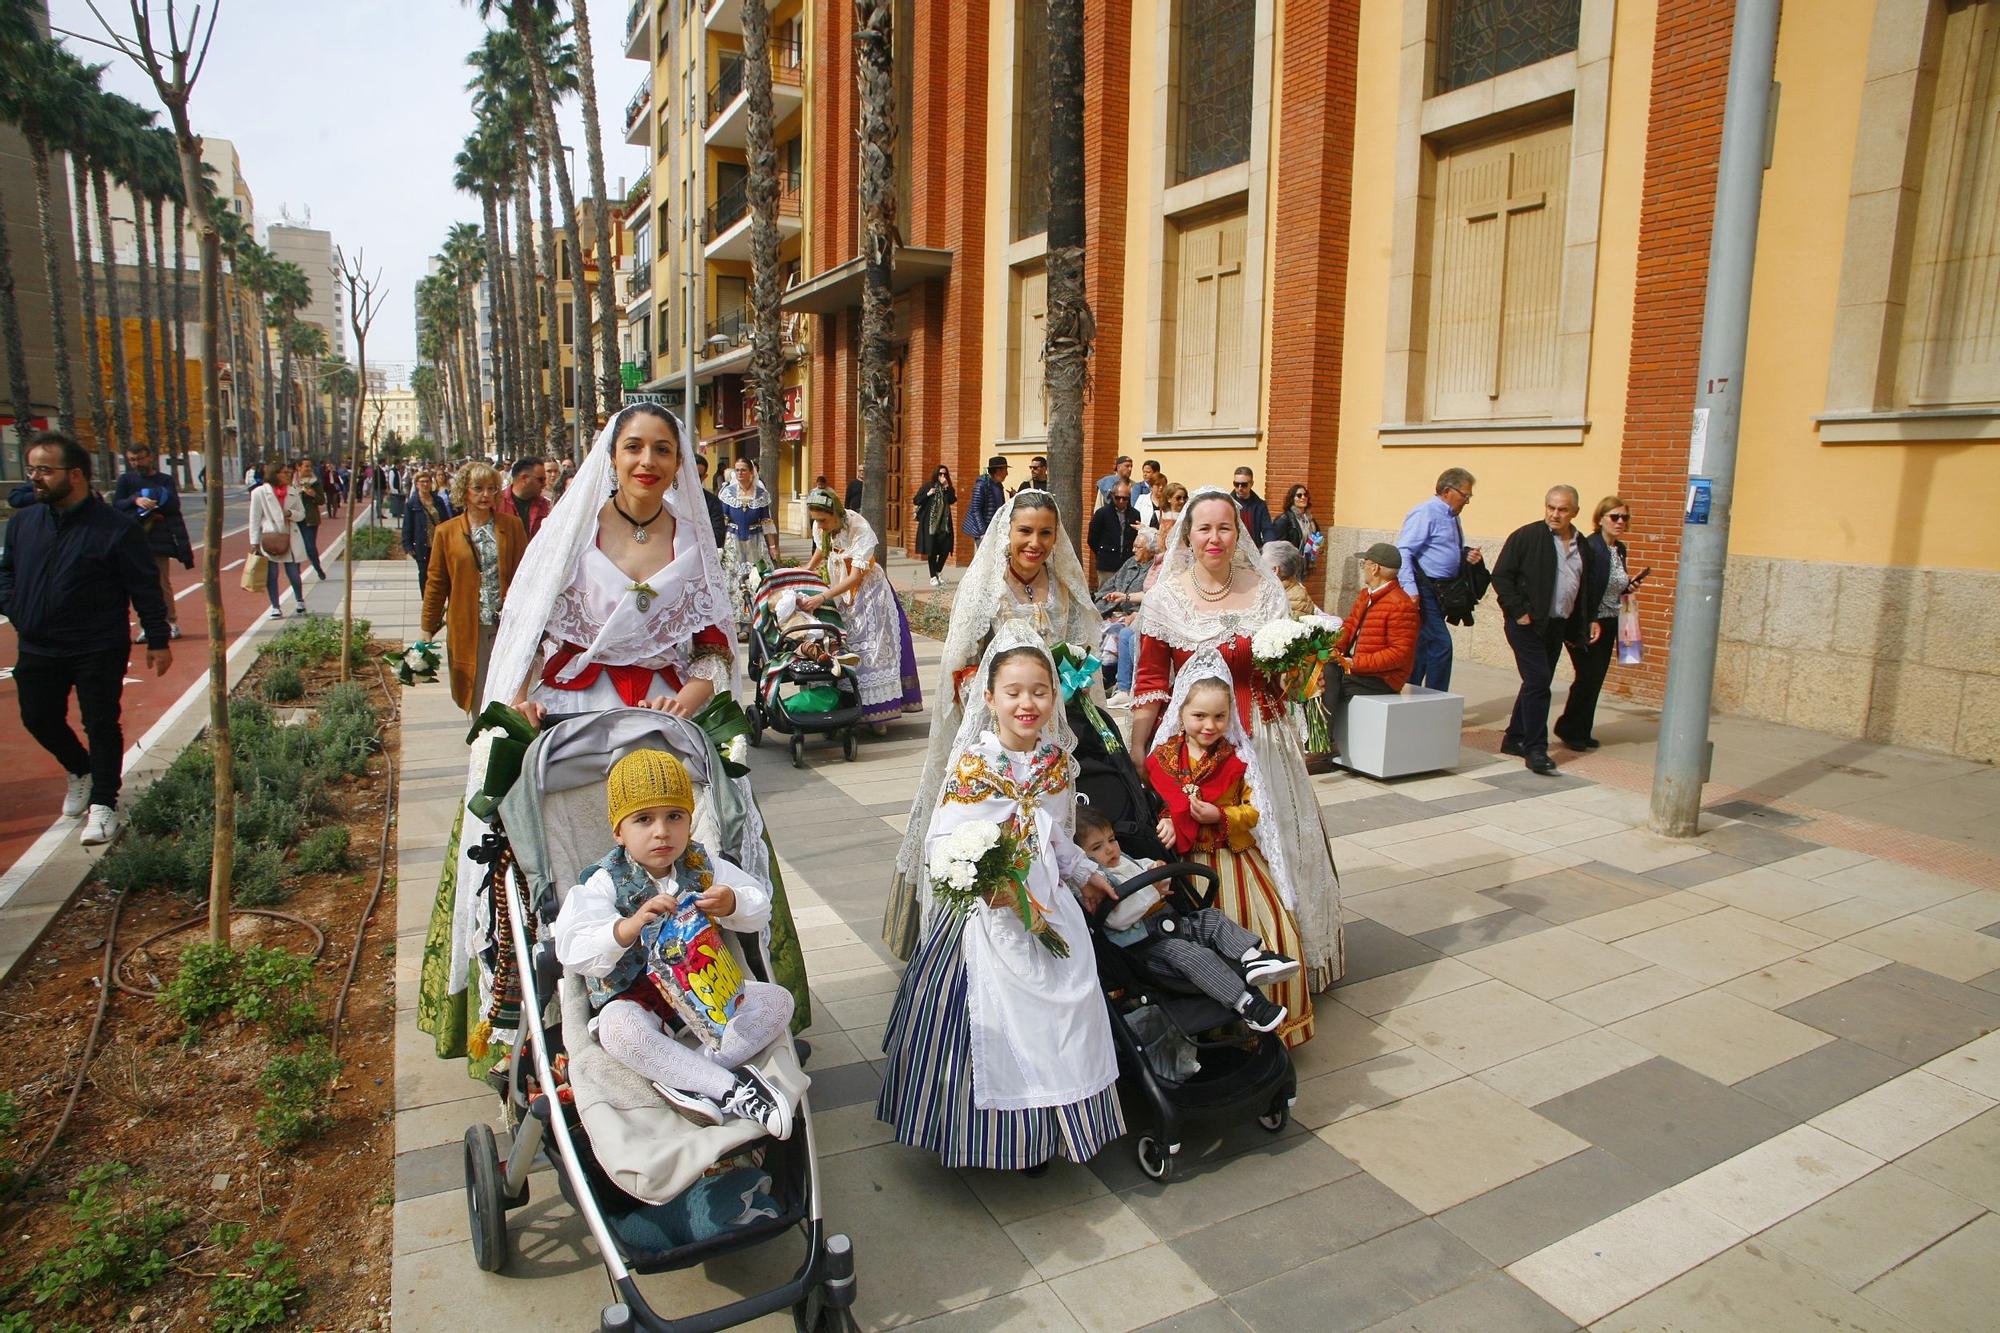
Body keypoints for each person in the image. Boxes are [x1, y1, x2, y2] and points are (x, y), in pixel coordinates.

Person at [418, 403, 810, 1081]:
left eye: (662, 449)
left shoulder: (693, 537)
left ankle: (725, 983)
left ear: (680, 462)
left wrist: (696, 690)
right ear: (613, 455)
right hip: (572, 706)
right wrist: (523, 695)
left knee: (721, 807)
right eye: (634, 447)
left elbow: (713, 643)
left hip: (659, 709)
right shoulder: (570, 531)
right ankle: (544, 1004)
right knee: (516, 806)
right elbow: (535, 629)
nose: (647, 462)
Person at [876, 636, 1122, 1172]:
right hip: (988, 914)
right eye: (1013, 692)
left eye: (1039, 692)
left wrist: (1086, 874)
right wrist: (983, 884)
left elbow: (1058, 834)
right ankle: (1000, 1138)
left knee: (1062, 1018)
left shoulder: (1057, 763)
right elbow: (942, 845)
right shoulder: (973, 768)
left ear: (1054, 700)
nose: (1027, 704)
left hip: (1048, 905)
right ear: (989, 699)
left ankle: (1054, 1129)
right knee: (995, 1021)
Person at [1131, 487, 1344, 993]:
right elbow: (1151, 680)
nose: (1214, 538)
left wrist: (1303, 665)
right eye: (1203, 528)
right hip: (1195, 744)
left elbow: (1284, 674)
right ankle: (1211, 967)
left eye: (1223, 527)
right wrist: (1140, 745)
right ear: (1187, 534)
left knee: (1275, 837)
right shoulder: (1165, 597)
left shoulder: (1266, 589)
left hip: (1263, 737)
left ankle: (1287, 952)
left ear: (1238, 532)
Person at [883, 488, 1102, 958]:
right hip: (992, 725)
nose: (1035, 542)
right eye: (1026, 531)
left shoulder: (1062, 585)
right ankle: (984, 932)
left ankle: (1056, 915)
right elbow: (959, 662)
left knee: (1049, 821)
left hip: (1050, 724)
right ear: (1007, 532)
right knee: (989, 824)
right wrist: (995, 697)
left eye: (1046, 533)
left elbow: (1084, 648)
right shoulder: (986, 585)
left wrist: (1070, 677)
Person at [552, 749, 794, 1137]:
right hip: (639, 1000)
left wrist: (731, 901)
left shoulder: (703, 865)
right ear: (619, 831)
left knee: (779, 1002)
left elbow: (757, 904)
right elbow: (573, 946)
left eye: (674, 817)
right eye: (644, 820)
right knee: (617, 1029)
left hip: (706, 990)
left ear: (689, 823)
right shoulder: (604, 880)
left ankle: (683, 1076)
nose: (661, 831)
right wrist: (626, 927)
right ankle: (730, 1088)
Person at [0, 432, 172, 846]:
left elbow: (144, 584)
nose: (35, 478)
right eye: (32, 469)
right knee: (37, 717)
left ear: (75, 474)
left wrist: (158, 637)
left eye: (45, 469)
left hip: (98, 644)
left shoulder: (115, 528)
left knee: (100, 722)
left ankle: (103, 804)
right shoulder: (24, 522)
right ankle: (80, 768)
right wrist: (15, 607)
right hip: (38, 642)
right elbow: (7, 572)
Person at [1076, 804, 1293, 1033]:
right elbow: (1116, 919)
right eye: (1097, 847)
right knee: (1193, 955)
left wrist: (1155, 867)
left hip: (1173, 923)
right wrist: (1153, 890)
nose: (1110, 850)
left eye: (1112, 839)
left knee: (1212, 917)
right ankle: (1248, 1005)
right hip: (1149, 945)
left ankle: (1253, 958)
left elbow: (1143, 866)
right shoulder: (1094, 884)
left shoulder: (1122, 859)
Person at [1491, 486, 1599, 775]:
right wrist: (1518, 611)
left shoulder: (1582, 545)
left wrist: (1588, 620)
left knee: (1535, 682)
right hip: (1527, 624)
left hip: (1557, 625)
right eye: (1551, 507)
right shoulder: (1526, 536)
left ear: (1574, 512)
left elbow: (1585, 587)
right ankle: (1535, 748)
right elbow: (1501, 576)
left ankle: (1514, 738)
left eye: (1562, 509)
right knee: (1539, 681)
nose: (1555, 514)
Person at [799, 487, 922, 732]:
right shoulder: (821, 526)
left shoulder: (858, 527)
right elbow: (823, 549)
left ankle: (878, 713)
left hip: (869, 594)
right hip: (840, 590)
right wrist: (806, 570)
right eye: (816, 520)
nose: (820, 525)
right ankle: (845, 706)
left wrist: (823, 597)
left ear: (834, 512)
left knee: (872, 648)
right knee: (845, 645)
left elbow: (856, 577)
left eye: (823, 520)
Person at [420, 461, 527, 715]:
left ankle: (506, 742)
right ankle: (483, 744)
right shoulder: (446, 532)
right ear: (464, 491)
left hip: (506, 624)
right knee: (477, 691)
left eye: (491, 488)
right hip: (470, 625)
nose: (485, 495)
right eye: (478, 488)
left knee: (509, 688)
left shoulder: (511, 526)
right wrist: (427, 626)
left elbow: (525, 575)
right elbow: (436, 582)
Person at [1554, 496, 1636, 752]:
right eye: (1614, 517)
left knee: (1595, 677)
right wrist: (1587, 620)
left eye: (1624, 517)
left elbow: (1612, 583)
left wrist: (1629, 585)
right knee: (1587, 676)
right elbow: (1582, 587)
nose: (1620, 522)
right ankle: (1569, 728)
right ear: (1600, 519)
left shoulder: (1618, 549)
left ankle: (1581, 729)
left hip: (1611, 620)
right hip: (1589, 622)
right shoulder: (1591, 547)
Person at [1395, 467, 1484, 691]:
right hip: (1425, 589)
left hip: (1444, 590)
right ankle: (1436, 697)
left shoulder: (1452, 517)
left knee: (1424, 645)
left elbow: (1442, 548)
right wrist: (1410, 589)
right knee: (1441, 644)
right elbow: (1404, 550)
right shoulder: (1426, 512)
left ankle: (1409, 691)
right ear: (1447, 491)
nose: (1467, 501)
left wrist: (1465, 554)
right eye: (1465, 495)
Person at [111, 440, 192, 640]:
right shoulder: (126, 481)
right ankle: (147, 626)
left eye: (139, 459)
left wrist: (157, 504)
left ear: (150, 458)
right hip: (132, 539)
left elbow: (174, 505)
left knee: (161, 582)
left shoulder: (164, 480)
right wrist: (135, 500)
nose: (136, 463)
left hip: (158, 539)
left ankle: (171, 622)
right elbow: (116, 506)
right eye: (132, 460)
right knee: (139, 584)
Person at [1328, 544, 1419, 701]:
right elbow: (1350, 626)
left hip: (1382, 678)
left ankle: (1324, 726)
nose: (1363, 568)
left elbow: (1399, 654)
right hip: (1356, 668)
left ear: (1375, 568)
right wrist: (1334, 648)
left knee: (1325, 681)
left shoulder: (1401, 605)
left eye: (1364, 563)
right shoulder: (1365, 595)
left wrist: (1355, 663)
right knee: (1314, 671)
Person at [1096, 526, 1161, 705]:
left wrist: (1133, 611)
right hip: (1114, 610)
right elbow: (1110, 585)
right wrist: (1098, 605)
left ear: (1150, 549)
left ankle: (1112, 680)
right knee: (1097, 629)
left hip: (1134, 614)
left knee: (1116, 633)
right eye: (1133, 546)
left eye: (1137, 547)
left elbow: (1152, 597)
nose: (1133, 550)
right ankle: (1110, 683)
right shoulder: (1130, 563)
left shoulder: (1155, 568)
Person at [248, 461, 309, 621]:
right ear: (274, 475)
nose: (287, 475)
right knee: (271, 574)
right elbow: (254, 519)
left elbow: (302, 514)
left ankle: (299, 600)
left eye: (288, 472)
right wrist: (254, 542)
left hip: (290, 536)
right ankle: (275, 606)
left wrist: (290, 513)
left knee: (293, 573)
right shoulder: (259, 493)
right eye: (283, 472)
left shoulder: (293, 491)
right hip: (270, 537)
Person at [718, 456, 781, 570]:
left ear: (751, 472)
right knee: (733, 573)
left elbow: (766, 521)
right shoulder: (728, 493)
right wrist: (719, 545)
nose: (739, 473)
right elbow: (723, 520)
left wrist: (772, 546)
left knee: (757, 573)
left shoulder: (761, 494)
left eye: (743, 470)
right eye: (737, 470)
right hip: (732, 540)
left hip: (755, 541)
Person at [912, 465, 956, 586]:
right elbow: (916, 500)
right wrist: (928, 494)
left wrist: (946, 487)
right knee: (932, 550)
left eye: (945, 474)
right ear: (936, 475)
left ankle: (937, 571)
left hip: (944, 525)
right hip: (930, 525)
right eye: (940, 474)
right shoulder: (928, 486)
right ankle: (933, 576)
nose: (942, 476)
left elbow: (952, 500)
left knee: (946, 549)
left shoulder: (948, 488)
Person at [1087, 479, 1140, 578]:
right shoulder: (1102, 513)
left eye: (1125, 498)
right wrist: (1102, 553)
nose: (1121, 501)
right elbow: (1092, 538)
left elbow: (1135, 537)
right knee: (1105, 592)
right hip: (1107, 564)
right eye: (1118, 497)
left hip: (1127, 563)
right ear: (1112, 495)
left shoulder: (1134, 514)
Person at [1271, 485, 1323, 576]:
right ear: (1292, 499)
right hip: (1288, 565)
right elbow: (1277, 545)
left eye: (1305, 495)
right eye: (1299, 495)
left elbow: (1317, 538)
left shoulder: (1310, 520)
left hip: (1303, 565)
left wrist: (1317, 545)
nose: (1303, 498)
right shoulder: (1285, 519)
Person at [498, 456, 551, 540]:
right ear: (525, 478)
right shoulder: (496, 503)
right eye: (540, 480)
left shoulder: (546, 506)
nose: (544, 484)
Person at [293, 462, 330, 580]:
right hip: (294, 519)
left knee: (310, 546)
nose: (309, 469)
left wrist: (313, 494)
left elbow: (321, 501)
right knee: (296, 547)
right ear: (298, 467)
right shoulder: (291, 482)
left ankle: (318, 568)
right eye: (306, 466)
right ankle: (296, 573)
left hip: (310, 519)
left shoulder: (315, 482)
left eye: (310, 466)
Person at [1263, 540, 1316, 619]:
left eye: (1262, 565)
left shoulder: (1295, 599)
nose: (1258, 569)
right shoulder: (1274, 591)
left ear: (1275, 570)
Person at [963, 456, 1009, 540]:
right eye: (1005, 470)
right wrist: (983, 532)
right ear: (998, 471)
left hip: (993, 529)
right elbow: (975, 509)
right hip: (983, 532)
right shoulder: (982, 485)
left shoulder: (998, 485)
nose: (1007, 474)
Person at [1229, 467, 1273, 548]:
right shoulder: (1227, 503)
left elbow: (1267, 530)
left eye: (1244, 485)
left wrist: (1269, 549)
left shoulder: (1260, 505)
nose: (1240, 488)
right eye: (1236, 484)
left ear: (1251, 484)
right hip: (1233, 551)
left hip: (1254, 550)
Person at [693, 454, 729, 548]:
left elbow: (718, 538)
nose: (692, 478)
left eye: (698, 476)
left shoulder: (712, 502)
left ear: (704, 477)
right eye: (689, 473)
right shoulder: (665, 498)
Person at [1134, 461, 1166, 527]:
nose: (1161, 488)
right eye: (1157, 485)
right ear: (1151, 486)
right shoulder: (1142, 499)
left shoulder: (1168, 501)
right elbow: (1135, 518)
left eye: (1163, 485)